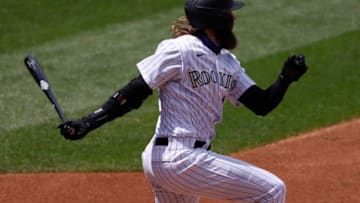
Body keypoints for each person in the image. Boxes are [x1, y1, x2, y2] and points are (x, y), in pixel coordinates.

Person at [59, 0, 307, 202]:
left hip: (172, 161)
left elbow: (261, 104)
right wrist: (89, 122)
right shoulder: (181, 50)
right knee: (272, 190)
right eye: (228, 12)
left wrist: (286, 78)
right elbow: (135, 91)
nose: (233, 17)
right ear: (216, 19)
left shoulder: (228, 63)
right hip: (180, 158)